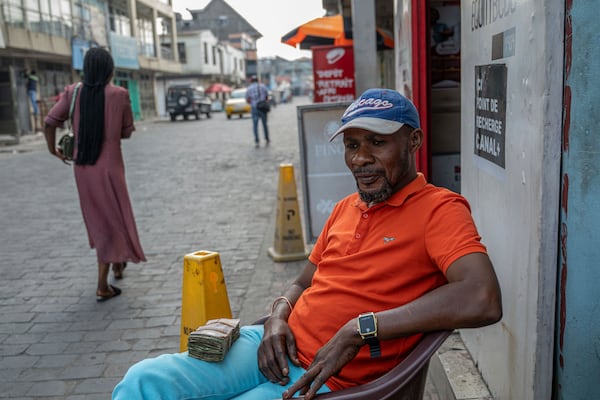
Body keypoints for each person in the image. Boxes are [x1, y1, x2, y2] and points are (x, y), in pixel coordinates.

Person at [112, 88, 502, 400]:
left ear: (413, 140)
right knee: (143, 380)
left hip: (334, 377)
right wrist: (278, 318)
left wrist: (359, 330)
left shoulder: (439, 209)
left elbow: (482, 297)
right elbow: (301, 284)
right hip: (275, 347)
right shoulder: (345, 208)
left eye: (377, 143)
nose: (361, 158)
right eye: (351, 145)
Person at [43, 47, 146, 302]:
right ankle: (102, 284)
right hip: (110, 166)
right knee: (114, 217)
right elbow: (126, 132)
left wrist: (52, 150)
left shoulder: (72, 92)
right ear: (110, 70)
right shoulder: (119, 95)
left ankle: (118, 262)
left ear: (86, 70)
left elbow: (50, 122)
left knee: (101, 219)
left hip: (83, 167)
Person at [245, 75, 270, 147]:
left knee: (255, 125)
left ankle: (257, 140)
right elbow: (266, 97)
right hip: (262, 108)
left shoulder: (249, 88)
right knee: (264, 124)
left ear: (251, 81)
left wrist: (253, 102)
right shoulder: (263, 86)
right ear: (258, 80)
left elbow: (247, 99)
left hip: (254, 108)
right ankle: (267, 138)